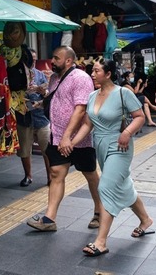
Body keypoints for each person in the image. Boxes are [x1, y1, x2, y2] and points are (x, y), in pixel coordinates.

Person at [70, 59, 154, 257]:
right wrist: (71, 143)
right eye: (92, 71)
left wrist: (127, 132)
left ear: (108, 74)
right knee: (123, 186)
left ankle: (101, 242)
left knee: (105, 187)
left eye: (96, 71)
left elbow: (140, 116)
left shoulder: (123, 93)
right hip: (100, 146)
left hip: (119, 146)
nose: (92, 74)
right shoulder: (92, 95)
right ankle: (146, 220)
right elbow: (87, 125)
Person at [26, 46, 101, 232]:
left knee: (90, 174)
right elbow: (57, 99)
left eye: (56, 58)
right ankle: (49, 219)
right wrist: (41, 103)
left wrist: (67, 137)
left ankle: (100, 211)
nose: (52, 61)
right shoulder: (54, 78)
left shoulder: (81, 78)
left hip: (79, 139)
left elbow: (81, 109)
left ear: (68, 60)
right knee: (56, 173)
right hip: (57, 136)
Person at [16, 49, 51, 187]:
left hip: (41, 118)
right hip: (24, 118)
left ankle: (50, 177)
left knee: (47, 149)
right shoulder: (17, 74)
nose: (33, 62)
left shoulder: (40, 75)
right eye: (31, 59)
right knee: (24, 150)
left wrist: (42, 91)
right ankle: (28, 176)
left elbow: (48, 95)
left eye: (35, 59)